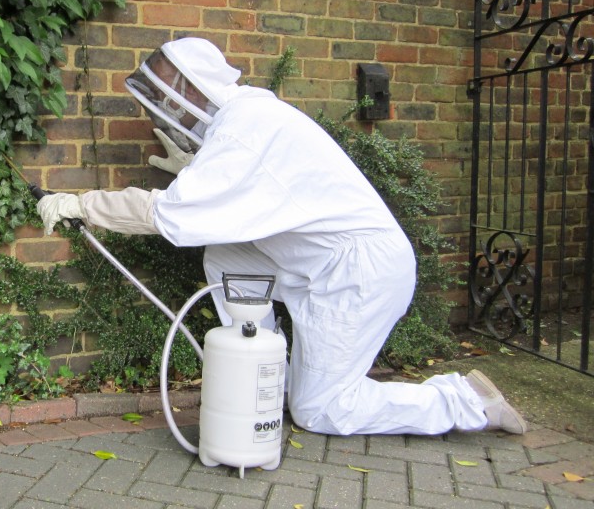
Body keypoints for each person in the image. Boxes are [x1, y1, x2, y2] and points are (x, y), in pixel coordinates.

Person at [36, 37, 526, 436]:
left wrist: (81, 205)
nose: (165, 109)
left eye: (168, 96)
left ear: (194, 87)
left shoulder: (244, 131)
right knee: (227, 253)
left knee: (321, 411)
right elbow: (245, 200)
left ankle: (464, 401)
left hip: (359, 273)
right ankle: (260, 374)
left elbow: (167, 216)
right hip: (322, 264)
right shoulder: (245, 117)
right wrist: (193, 166)